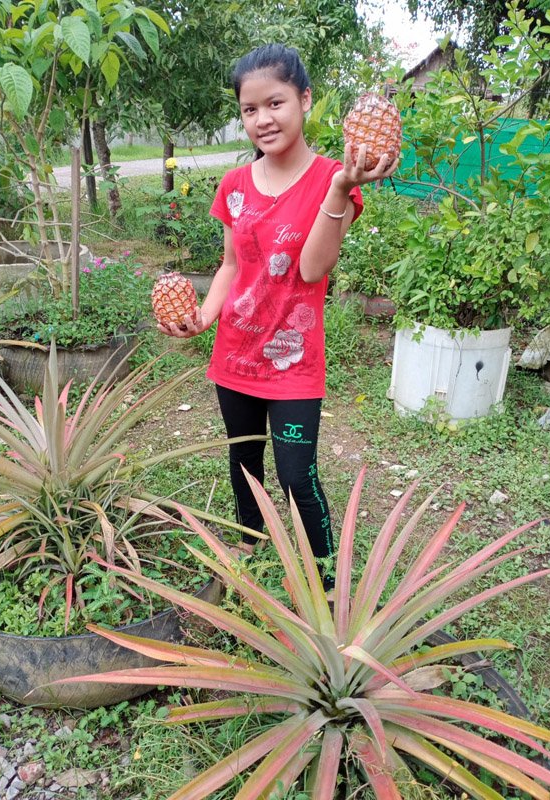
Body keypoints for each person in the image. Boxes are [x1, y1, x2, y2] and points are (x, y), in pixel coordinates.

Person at [158, 43, 398, 588]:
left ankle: (326, 579)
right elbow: (228, 265)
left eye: (275, 103)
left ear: (304, 99)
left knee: (296, 474)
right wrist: (202, 316)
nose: (262, 119)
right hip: (234, 357)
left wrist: (340, 190)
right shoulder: (234, 187)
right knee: (244, 465)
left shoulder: (334, 178)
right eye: (249, 109)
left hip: (293, 366)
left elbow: (313, 271)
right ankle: (251, 546)